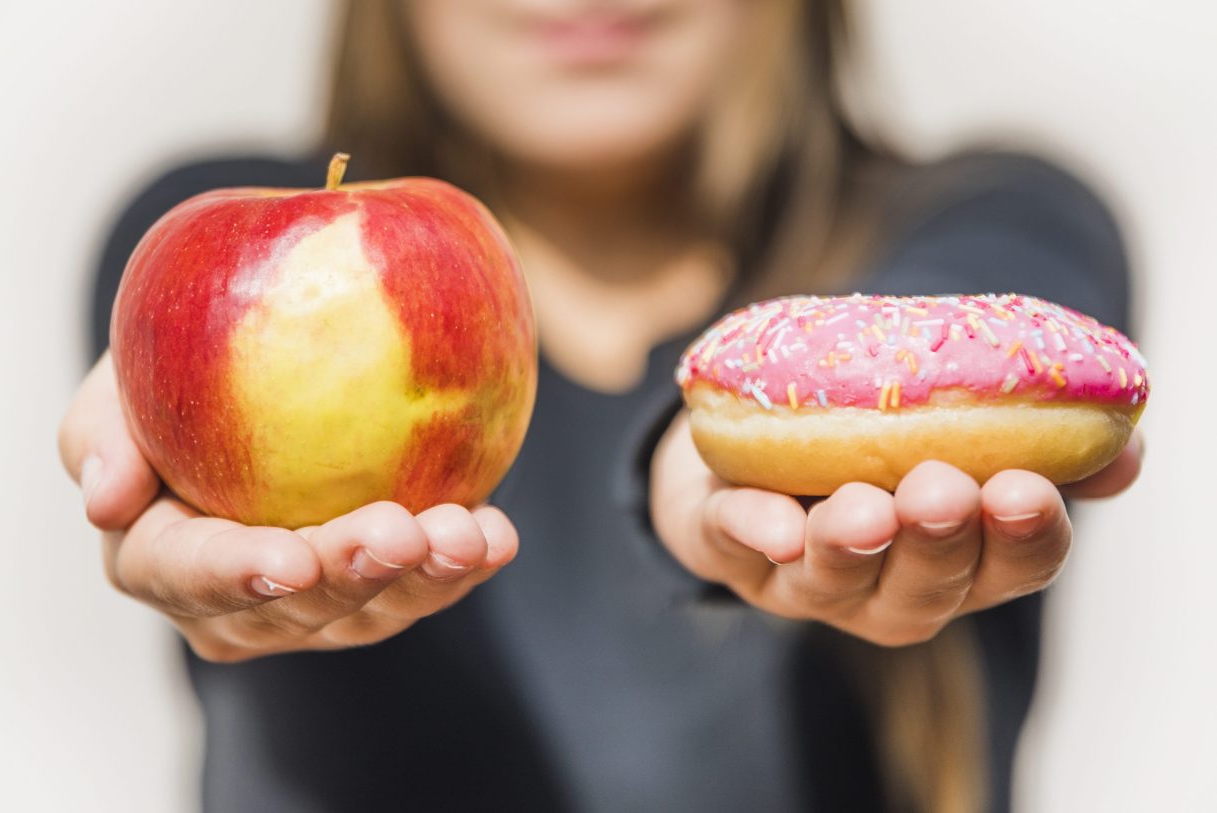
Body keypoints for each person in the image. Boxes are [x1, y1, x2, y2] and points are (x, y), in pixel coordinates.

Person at [58, 1, 1143, 811]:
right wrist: (177, 413)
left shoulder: (993, 214)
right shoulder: (197, 247)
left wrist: (712, 463)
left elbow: (952, 329)